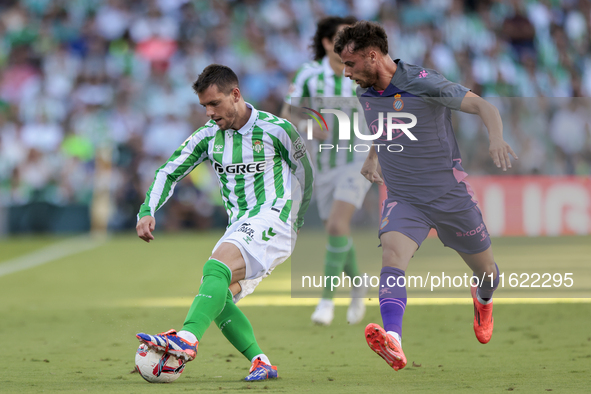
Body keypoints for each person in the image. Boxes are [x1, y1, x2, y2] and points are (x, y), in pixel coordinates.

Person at [333, 21, 517, 371]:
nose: (346, 73)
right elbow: (382, 125)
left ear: (373, 56)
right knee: (392, 258)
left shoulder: (423, 82)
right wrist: (373, 156)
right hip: (405, 198)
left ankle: (483, 300)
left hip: (451, 197)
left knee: (488, 274)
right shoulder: (366, 92)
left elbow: (485, 108)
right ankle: (394, 341)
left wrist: (495, 137)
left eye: (351, 63)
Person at [135, 64, 314, 381]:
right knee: (216, 295)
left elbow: (306, 172)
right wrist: (148, 209)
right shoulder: (207, 137)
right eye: (204, 106)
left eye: (214, 103)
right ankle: (260, 361)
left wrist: (297, 219)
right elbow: (168, 171)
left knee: (214, 269)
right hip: (241, 226)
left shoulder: (277, 129)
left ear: (235, 94)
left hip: (275, 217)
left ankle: (187, 339)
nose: (209, 112)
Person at [281, 15, 370, 326]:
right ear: (326, 42)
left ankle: (326, 301)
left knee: (335, 225)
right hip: (322, 165)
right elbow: (287, 113)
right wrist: (306, 124)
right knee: (338, 230)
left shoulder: (361, 72)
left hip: (357, 160)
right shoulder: (309, 75)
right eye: (341, 39)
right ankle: (358, 285)